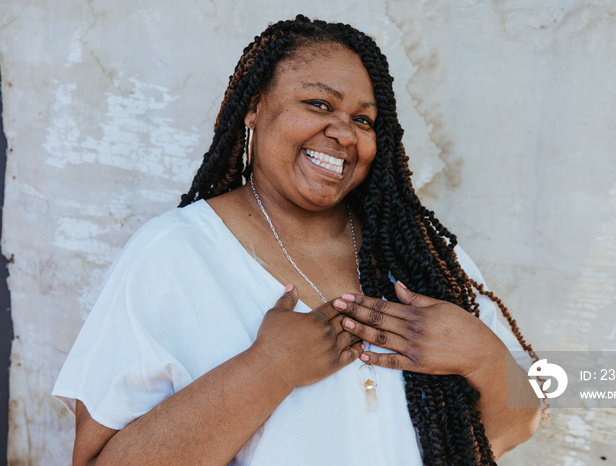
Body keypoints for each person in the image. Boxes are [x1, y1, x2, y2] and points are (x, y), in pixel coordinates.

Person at [53, 15, 541, 465]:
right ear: (254, 107)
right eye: (318, 104)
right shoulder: (173, 255)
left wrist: (485, 356)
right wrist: (267, 370)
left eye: (364, 120)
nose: (344, 133)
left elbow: (515, 425)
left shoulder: (421, 259)